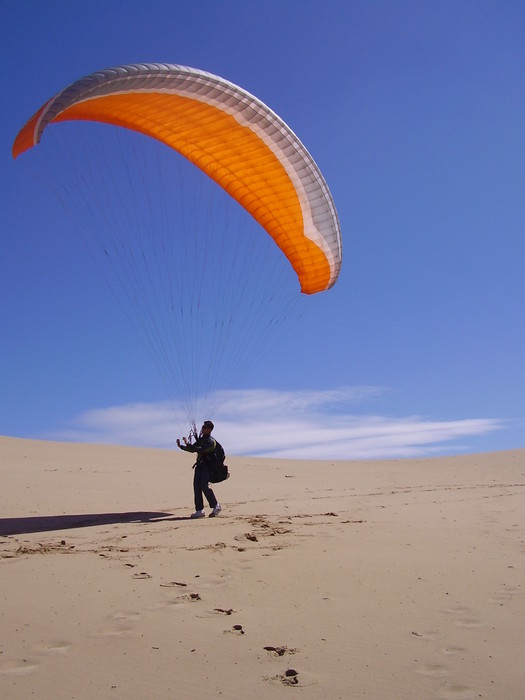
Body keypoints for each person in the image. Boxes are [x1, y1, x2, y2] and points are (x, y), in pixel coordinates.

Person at [177, 420, 222, 518]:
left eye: (205, 427)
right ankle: (199, 510)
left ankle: (216, 506)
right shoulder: (202, 440)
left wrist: (189, 446)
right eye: (203, 427)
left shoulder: (211, 441)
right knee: (196, 486)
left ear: (209, 429)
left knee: (204, 486)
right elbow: (194, 448)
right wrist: (182, 446)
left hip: (207, 466)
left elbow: (198, 449)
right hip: (200, 466)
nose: (202, 429)